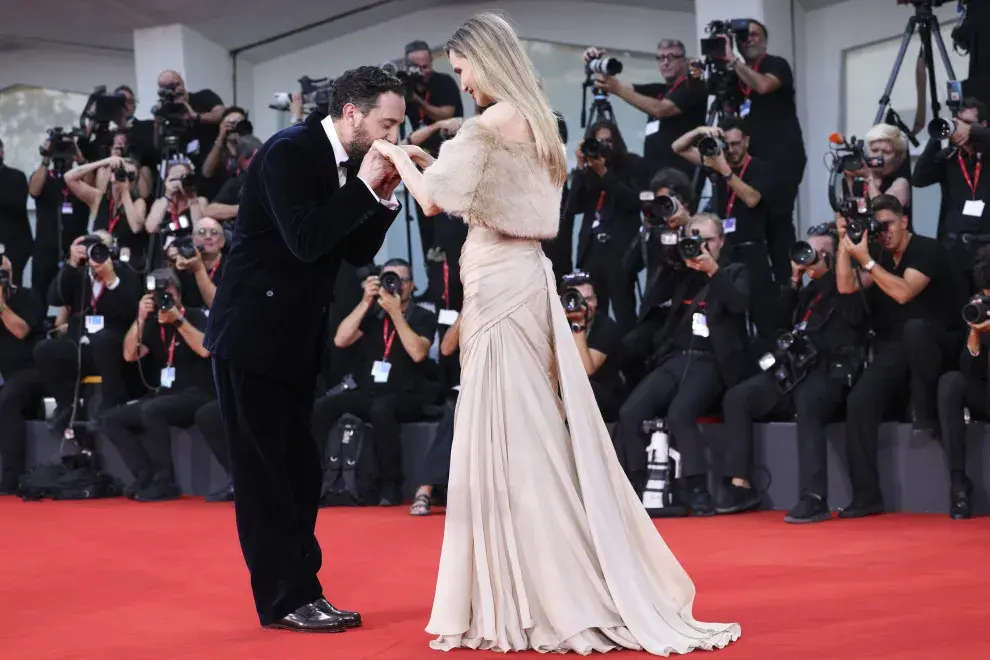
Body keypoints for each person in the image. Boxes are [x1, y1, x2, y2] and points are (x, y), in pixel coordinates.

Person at [371, 12, 740, 655]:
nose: (462, 84)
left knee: (519, 438)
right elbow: (480, 193)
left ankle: (549, 590)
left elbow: (432, 202)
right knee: (526, 433)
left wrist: (395, 153)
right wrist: (431, 160)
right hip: (517, 280)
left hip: (498, 290)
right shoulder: (534, 121)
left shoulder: (490, 124)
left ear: (485, 60)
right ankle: (535, 584)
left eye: (461, 72)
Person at [204, 66, 405, 633]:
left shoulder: (346, 161)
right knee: (267, 476)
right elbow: (307, 239)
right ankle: (284, 600)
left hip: (293, 339)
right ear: (351, 114)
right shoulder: (288, 152)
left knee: (299, 473)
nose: (392, 135)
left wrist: (384, 196)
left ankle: (305, 591)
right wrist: (364, 187)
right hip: (252, 337)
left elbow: (354, 248)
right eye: (386, 124)